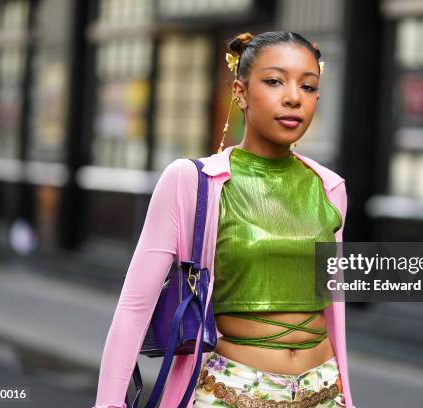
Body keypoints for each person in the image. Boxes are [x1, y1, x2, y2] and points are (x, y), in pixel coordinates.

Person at [93, 31, 355, 408]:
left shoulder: (329, 188)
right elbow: (135, 307)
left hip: (324, 391)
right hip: (233, 391)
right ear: (240, 92)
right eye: (274, 81)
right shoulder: (192, 181)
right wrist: (108, 404)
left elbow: (334, 306)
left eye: (308, 86)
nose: (294, 97)